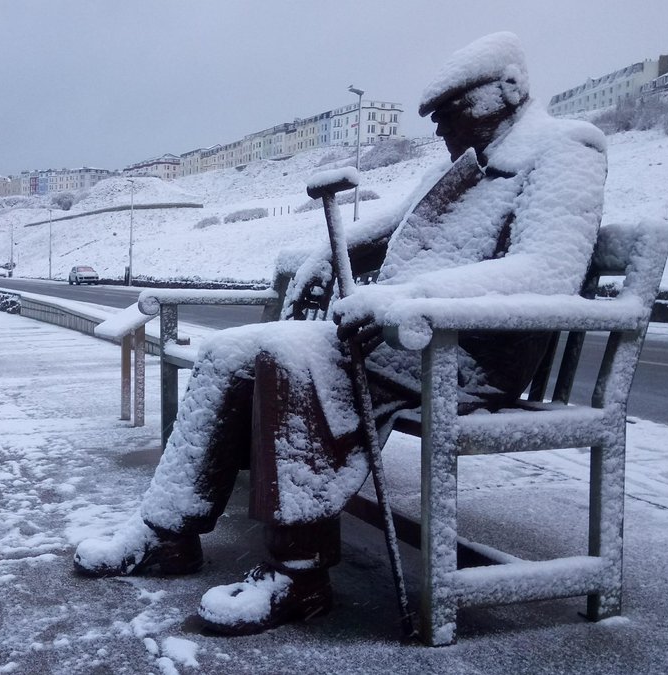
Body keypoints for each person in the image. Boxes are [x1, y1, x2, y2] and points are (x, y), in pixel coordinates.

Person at [74, 32, 609, 635]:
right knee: (226, 353)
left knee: (288, 356)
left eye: (450, 112)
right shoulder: (465, 160)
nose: (439, 130)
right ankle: (167, 532)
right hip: (403, 340)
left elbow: (545, 271)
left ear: (508, 89)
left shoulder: (568, 148)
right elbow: (390, 225)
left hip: (463, 355)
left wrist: (404, 297)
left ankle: (297, 573)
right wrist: (327, 257)